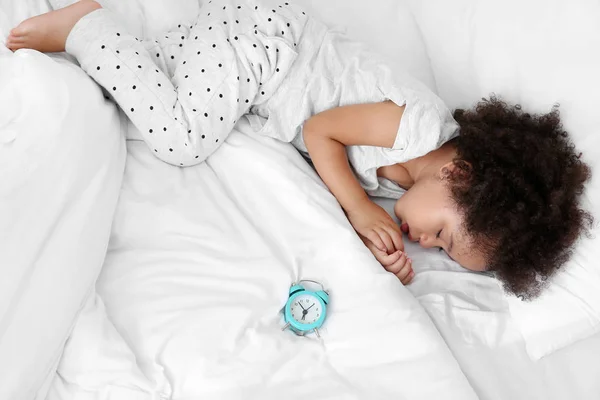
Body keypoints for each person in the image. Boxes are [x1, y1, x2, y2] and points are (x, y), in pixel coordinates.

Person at [7, 0, 591, 298]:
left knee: (161, 86)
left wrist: (377, 241)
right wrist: (362, 212)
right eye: (445, 235)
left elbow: (345, 175)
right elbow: (321, 134)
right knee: (181, 141)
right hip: (265, 45)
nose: (428, 243)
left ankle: (122, 51)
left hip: (251, 63)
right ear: (461, 176)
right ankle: (88, 27)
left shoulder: (413, 180)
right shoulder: (414, 126)